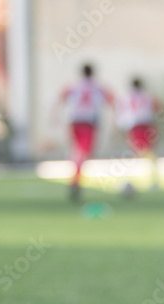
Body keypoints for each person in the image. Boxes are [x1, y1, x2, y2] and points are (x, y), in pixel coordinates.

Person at [58, 63, 113, 201]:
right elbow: (111, 99)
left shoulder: (74, 85)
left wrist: (57, 115)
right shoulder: (98, 87)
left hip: (74, 121)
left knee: (78, 151)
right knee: (84, 153)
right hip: (88, 122)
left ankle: (74, 175)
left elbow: (62, 96)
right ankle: (75, 180)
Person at [117, 77, 163, 191]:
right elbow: (159, 107)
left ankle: (127, 179)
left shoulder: (125, 96)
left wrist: (122, 126)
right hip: (147, 125)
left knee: (133, 153)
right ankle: (154, 180)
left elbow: (121, 112)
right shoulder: (148, 96)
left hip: (134, 127)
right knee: (150, 153)